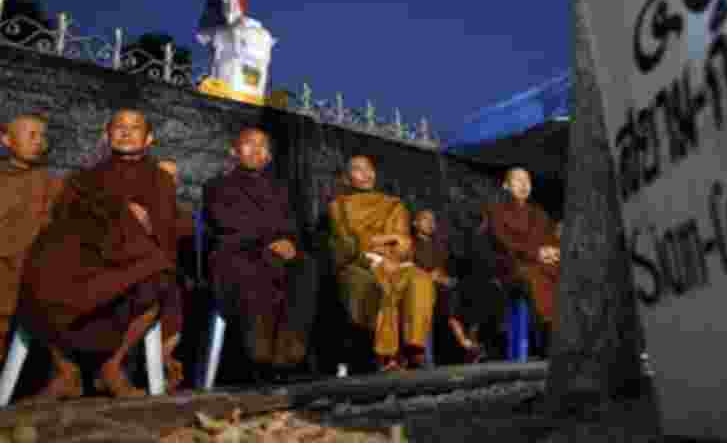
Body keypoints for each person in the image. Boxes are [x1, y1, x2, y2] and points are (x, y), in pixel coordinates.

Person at [20, 109, 185, 397]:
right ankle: (66, 371)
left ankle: (111, 366)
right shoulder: (84, 177)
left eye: (135, 128)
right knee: (40, 270)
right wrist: (116, 212)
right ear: (107, 135)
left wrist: (142, 222)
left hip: (132, 257)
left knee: (157, 277)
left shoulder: (160, 178)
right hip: (87, 252)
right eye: (119, 127)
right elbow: (64, 216)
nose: (126, 132)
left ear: (149, 139)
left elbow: (169, 227)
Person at [202, 128, 319, 371]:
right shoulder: (218, 186)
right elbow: (227, 223)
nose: (256, 150)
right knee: (260, 269)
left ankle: (288, 354)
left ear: (269, 155)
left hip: (278, 254)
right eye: (249, 144)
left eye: (263, 146)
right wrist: (269, 241)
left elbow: (292, 226)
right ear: (234, 151)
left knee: (305, 266)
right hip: (236, 254)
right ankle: (259, 354)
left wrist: (290, 243)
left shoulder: (281, 190)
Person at [328, 155, 435, 371]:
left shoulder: (394, 205)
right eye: (358, 170)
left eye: (369, 169)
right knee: (381, 284)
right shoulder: (338, 206)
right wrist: (376, 256)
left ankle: (413, 349)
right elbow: (345, 245)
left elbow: (404, 243)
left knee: (420, 279)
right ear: (348, 178)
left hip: (396, 262)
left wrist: (378, 244)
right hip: (360, 265)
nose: (366, 174)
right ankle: (386, 356)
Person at [0, 115, 72, 399]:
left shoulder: (51, 184)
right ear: (6, 140)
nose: (39, 142)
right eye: (31, 135)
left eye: (42, 136)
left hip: (28, 268)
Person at [479, 167, 560, 355]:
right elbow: (503, 242)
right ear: (506, 186)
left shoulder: (540, 214)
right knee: (534, 276)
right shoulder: (496, 211)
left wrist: (554, 252)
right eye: (518, 180)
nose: (524, 184)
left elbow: (551, 240)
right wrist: (537, 253)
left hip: (542, 263)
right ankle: (548, 336)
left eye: (527, 181)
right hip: (510, 266)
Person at [411, 209, 483, 363]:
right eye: (425, 219)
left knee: (472, 292)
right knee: (449, 299)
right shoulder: (411, 244)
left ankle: (471, 342)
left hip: (447, 285)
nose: (430, 223)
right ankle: (466, 344)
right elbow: (411, 268)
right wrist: (432, 277)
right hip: (424, 287)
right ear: (415, 223)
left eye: (433, 220)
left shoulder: (440, 244)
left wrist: (448, 278)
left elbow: (451, 266)